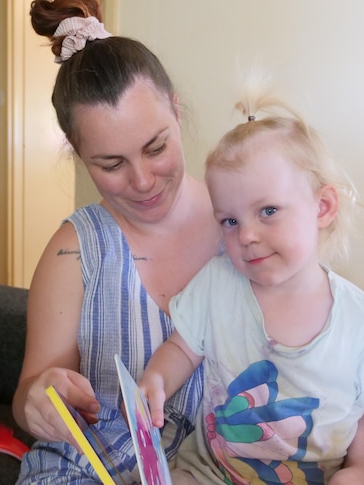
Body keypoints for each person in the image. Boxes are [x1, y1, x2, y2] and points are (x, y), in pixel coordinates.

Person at [138, 87, 364, 484]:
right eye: (230, 221)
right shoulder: (218, 283)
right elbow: (181, 350)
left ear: (322, 207)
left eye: (268, 211)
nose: (247, 235)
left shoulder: (362, 321)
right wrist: (155, 379)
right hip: (212, 474)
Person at [12, 0, 220, 483]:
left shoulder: (246, 228)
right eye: (111, 164)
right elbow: (29, 398)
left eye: (156, 147)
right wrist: (38, 401)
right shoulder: (73, 251)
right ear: (77, 153)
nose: (143, 181)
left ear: (176, 108)